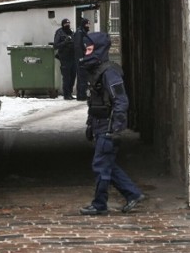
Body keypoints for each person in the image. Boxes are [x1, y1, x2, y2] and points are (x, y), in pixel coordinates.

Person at [78, 32, 145, 215]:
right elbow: (96, 102)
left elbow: (121, 101)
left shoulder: (110, 72)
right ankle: (132, 194)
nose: (86, 51)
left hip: (108, 126)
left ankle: (100, 204)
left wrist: (115, 129)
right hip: (100, 125)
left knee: (101, 165)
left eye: (90, 48)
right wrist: (91, 125)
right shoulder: (97, 72)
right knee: (108, 165)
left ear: (99, 49)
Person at [54, 18, 77, 100]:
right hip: (64, 57)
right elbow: (56, 45)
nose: (67, 25)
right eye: (66, 24)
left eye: (68, 24)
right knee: (66, 77)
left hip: (73, 56)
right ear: (63, 24)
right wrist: (65, 42)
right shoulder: (59, 32)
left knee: (73, 76)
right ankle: (66, 94)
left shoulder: (72, 32)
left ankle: (70, 93)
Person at [73, 18, 91, 101]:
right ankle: (81, 94)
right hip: (81, 58)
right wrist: (80, 57)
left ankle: (81, 94)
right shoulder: (79, 33)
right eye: (87, 24)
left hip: (83, 57)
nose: (88, 26)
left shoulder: (83, 32)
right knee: (82, 76)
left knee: (82, 76)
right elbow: (77, 46)